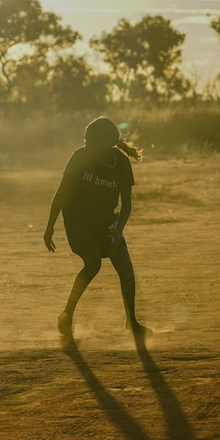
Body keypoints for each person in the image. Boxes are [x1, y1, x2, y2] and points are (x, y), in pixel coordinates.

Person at [44, 117, 151, 339]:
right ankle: (66, 315)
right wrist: (50, 227)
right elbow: (62, 193)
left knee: (126, 268)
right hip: (78, 220)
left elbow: (127, 205)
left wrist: (118, 228)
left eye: (90, 141)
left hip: (105, 220)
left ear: (106, 144)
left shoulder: (120, 163)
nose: (86, 144)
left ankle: (132, 321)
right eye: (85, 140)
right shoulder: (80, 157)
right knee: (92, 264)